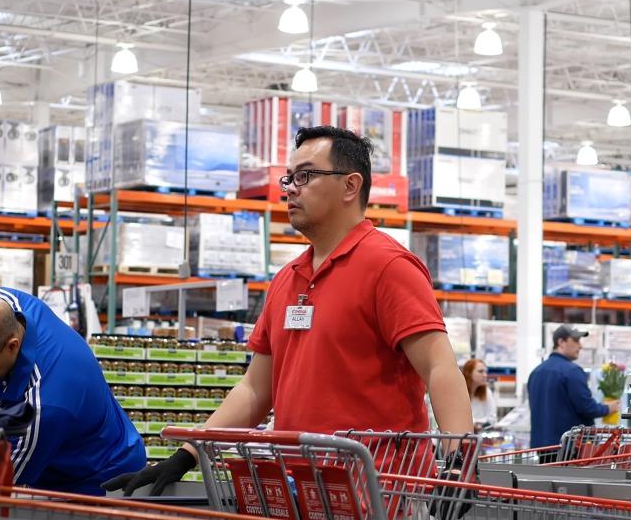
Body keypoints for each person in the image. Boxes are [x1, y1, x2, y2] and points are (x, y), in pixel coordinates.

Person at [106, 126, 474, 496]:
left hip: (380, 499)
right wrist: (187, 453)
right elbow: (255, 389)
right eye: (290, 177)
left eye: (306, 176)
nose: (290, 188)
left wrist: (458, 460)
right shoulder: (287, 279)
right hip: (300, 495)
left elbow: (439, 366)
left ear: (350, 186)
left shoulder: (389, 266)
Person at [0, 287, 146, 495]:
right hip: (56, 457)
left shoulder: (44, 406)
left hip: (98, 481)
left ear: (12, 346)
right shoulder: (2, 307)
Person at [527, 325, 618, 460]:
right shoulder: (572, 371)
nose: (580, 346)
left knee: (548, 479)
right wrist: (608, 408)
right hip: (569, 448)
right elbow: (586, 408)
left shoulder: (536, 372)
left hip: (542, 447)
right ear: (561, 342)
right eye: (576, 341)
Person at [463, 358, 497, 429]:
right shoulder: (459, 392)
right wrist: (476, 423)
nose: (485, 375)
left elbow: (492, 418)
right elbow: (458, 417)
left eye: (485, 372)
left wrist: (476, 423)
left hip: (479, 434)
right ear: (468, 373)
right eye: (480, 371)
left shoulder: (486, 392)